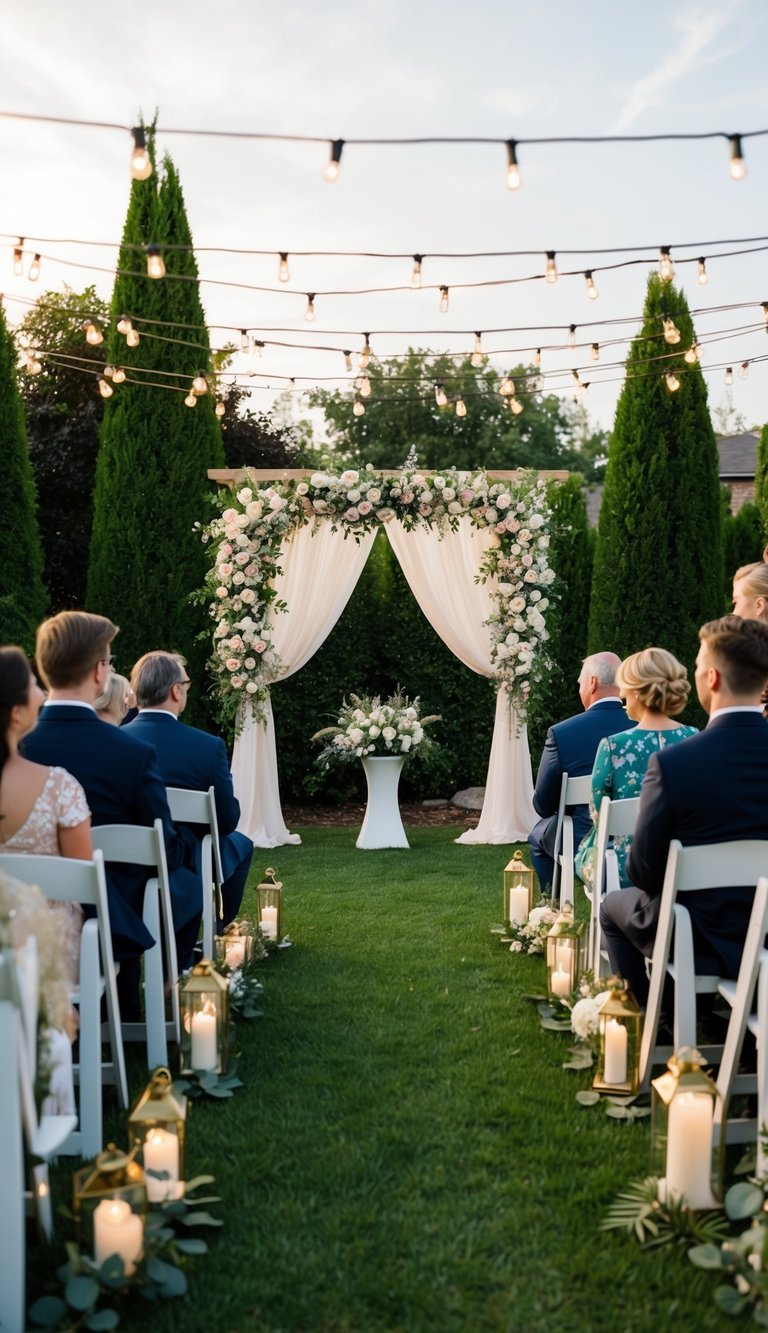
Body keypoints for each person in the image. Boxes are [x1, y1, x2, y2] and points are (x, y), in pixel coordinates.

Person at [22, 611, 201, 1013]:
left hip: (20, 906)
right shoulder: (132, 753)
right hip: (115, 911)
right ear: (100, 672)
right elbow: (164, 849)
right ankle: (151, 993)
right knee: (176, 879)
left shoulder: (15, 749)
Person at [600, 614, 768, 1005]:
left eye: (696, 666)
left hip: (699, 938)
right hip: (765, 938)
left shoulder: (675, 764)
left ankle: (650, 1024)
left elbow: (641, 870)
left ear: (711, 678)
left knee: (612, 905)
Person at [125, 651, 253, 928]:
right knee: (242, 844)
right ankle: (219, 929)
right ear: (175, 691)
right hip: (190, 858)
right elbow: (227, 820)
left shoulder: (114, 742)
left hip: (125, 856)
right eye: (186, 684)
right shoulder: (206, 747)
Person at [0, 644, 91, 983]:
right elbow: (83, 885)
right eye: (34, 686)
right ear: (15, 713)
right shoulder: (59, 787)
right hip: (46, 949)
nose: (42, 693)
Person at [575, 648, 697, 890]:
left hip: (627, 867)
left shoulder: (613, 746)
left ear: (634, 692)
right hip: (687, 863)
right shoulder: (695, 738)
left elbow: (600, 815)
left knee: (586, 854)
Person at [527, 652, 632, 893]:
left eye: (580, 683)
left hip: (582, 840)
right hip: (635, 839)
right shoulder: (643, 727)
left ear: (592, 682)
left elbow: (543, 805)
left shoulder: (562, 733)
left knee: (537, 835)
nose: (580, 689)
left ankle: (551, 909)